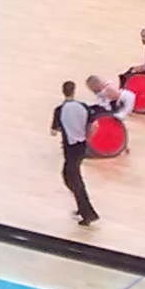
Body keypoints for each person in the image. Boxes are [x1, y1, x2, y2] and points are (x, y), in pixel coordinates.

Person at [51, 81, 99, 228]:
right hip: (81, 147)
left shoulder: (59, 110)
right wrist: (87, 137)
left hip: (70, 149)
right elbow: (95, 125)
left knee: (71, 178)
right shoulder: (83, 106)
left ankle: (88, 213)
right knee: (73, 177)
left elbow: (54, 130)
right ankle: (82, 207)